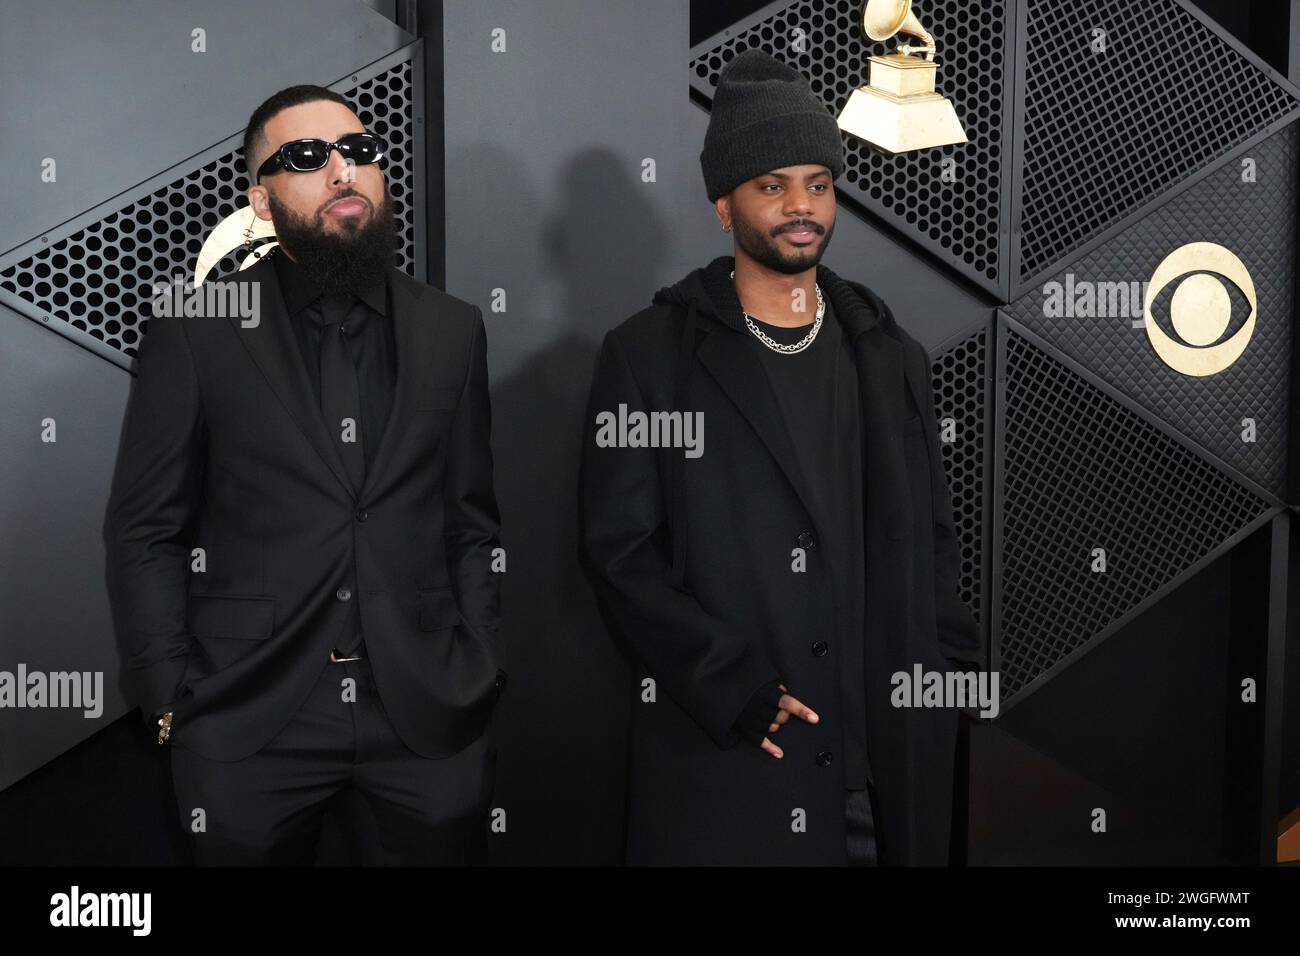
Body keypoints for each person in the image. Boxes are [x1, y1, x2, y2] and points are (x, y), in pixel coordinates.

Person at [578, 50, 981, 865]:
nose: (801, 207)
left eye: (818, 183)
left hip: (886, 764)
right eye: (772, 186)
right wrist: (729, 686)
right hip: (736, 761)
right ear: (724, 205)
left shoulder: (886, 348)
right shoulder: (651, 355)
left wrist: (948, 680)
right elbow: (620, 554)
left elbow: (933, 538)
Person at [103, 84, 504, 865]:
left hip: (423, 715)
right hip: (249, 718)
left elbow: (472, 520)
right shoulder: (196, 328)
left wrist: (480, 662)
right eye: (307, 157)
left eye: (358, 151)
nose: (342, 171)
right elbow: (145, 528)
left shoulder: (451, 328)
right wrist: (170, 698)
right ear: (262, 196)